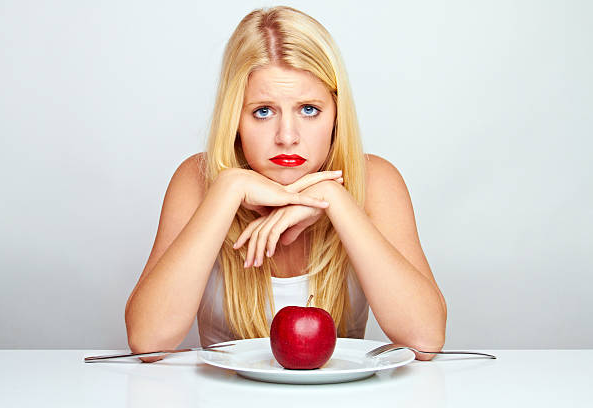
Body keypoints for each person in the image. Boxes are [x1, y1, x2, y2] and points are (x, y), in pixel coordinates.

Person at [125, 6, 447, 363]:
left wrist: (333, 200)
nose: (287, 137)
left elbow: (425, 340)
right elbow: (148, 343)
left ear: (336, 114)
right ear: (235, 119)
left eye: (309, 109)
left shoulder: (377, 182)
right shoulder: (196, 181)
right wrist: (228, 190)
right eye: (263, 111)